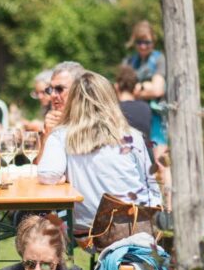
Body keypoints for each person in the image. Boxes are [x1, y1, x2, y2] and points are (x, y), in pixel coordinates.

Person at [37, 71, 162, 233]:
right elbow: (150, 184)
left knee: (37, 216)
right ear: (110, 99)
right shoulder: (132, 135)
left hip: (90, 230)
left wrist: (63, 177)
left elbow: (47, 174)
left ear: (74, 100)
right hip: (136, 224)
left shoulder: (61, 135)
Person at [122, 20, 167, 151]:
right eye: (139, 42)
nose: (143, 46)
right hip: (133, 114)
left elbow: (158, 90)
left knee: (160, 160)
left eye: (147, 42)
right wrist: (146, 86)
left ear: (153, 41)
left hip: (156, 116)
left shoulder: (159, 59)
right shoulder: (129, 61)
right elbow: (120, 89)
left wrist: (136, 89)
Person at [42, 61, 85, 138]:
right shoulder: (52, 122)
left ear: (78, 90)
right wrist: (46, 135)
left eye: (59, 89)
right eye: (51, 89)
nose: (52, 95)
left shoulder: (93, 124)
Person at [115, 65, 151, 143]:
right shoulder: (145, 107)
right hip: (144, 152)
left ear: (116, 86)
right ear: (136, 88)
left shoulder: (113, 109)